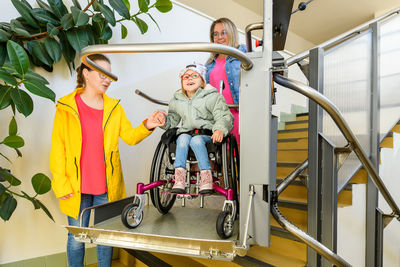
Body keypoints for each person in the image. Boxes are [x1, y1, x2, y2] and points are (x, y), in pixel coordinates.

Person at [49, 54, 165, 267]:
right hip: (75, 188)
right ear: (86, 73)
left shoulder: (114, 107)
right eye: (102, 74)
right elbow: (58, 149)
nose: (107, 79)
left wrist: (148, 124)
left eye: (110, 75)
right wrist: (60, 183)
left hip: (106, 187)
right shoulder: (65, 107)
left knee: (106, 238)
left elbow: (129, 137)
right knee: (77, 239)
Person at [161, 63, 233, 194]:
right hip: (187, 133)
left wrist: (220, 129)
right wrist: (163, 121)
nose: (190, 79)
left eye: (194, 75)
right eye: (186, 77)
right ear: (182, 82)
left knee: (196, 141)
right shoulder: (177, 100)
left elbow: (224, 116)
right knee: (181, 138)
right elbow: (173, 120)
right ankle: (179, 178)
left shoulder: (212, 97)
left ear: (202, 81)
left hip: (207, 134)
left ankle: (206, 177)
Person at [205, 17, 246, 145]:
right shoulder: (209, 63)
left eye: (223, 32)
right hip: (218, 116)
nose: (219, 37)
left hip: (238, 111)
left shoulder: (242, 53)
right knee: (221, 157)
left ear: (231, 33)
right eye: (215, 34)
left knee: (241, 156)